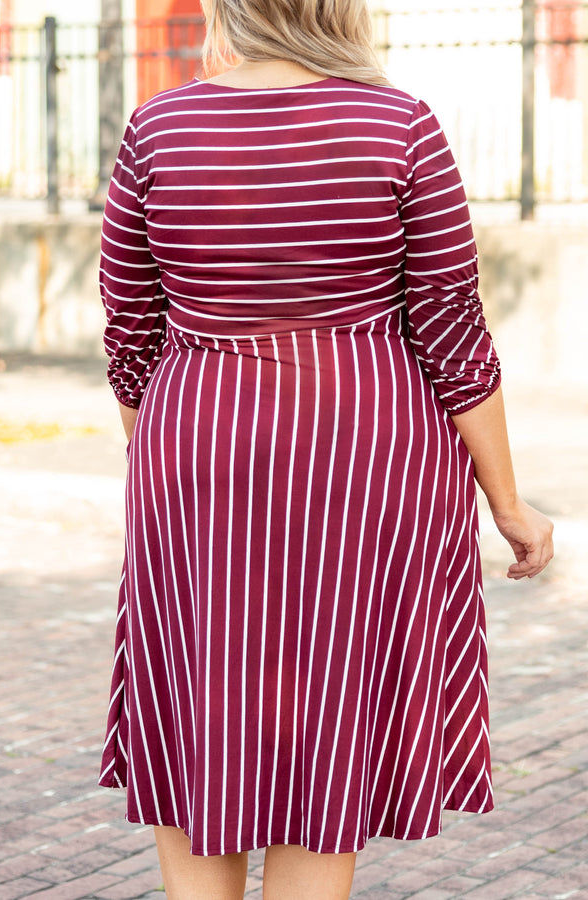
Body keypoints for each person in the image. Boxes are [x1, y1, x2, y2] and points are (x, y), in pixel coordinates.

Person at [98, 1, 554, 897]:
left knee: (205, 710)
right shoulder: (398, 123)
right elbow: (452, 333)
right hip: (363, 454)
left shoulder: (157, 125)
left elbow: (130, 330)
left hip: (197, 437)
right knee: (326, 721)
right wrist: (508, 504)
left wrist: (163, 461)